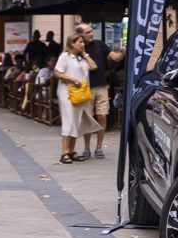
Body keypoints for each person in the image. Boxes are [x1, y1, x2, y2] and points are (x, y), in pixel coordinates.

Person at [77, 23, 125, 159]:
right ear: (80, 35)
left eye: (91, 31)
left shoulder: (100, 44)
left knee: (102, 116)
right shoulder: (78, 48)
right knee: (87, 118)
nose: (91, 34)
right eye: (87, 32)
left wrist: (123, 52)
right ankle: (86, 148)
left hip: (102, 86)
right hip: (86, 88)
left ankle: (99, 147)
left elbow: (115, 58)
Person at [53, 33, 100, 164]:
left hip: (81, 94)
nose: (82, 44)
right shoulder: (65, 57)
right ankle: (64, 152)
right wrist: (72, 79)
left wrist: (85, 54)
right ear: (71, 44)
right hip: (67, 92)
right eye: (79, 42)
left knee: (77, 122)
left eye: (83, 42)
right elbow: (57, 72)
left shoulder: (82, 58)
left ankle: (72, 151)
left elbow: (94, 67)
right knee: (69, 120)